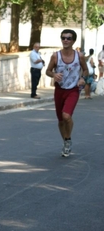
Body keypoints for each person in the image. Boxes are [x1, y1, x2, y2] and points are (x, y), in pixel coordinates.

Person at [45, 29, 88, 157]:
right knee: (60, 120)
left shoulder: (79, 56)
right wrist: (54, 74)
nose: (65, 40)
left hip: (73, 90)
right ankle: (65, 142)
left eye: (68, 38)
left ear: (73, 41)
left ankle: (68, 139)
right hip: (59, 90)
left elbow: (85, 70)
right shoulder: (55, 56)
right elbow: (47, 71)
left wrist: (82, 78)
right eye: (63, 38)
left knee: (66, 116)